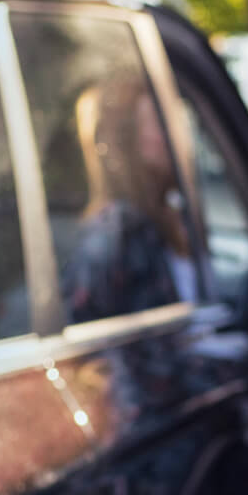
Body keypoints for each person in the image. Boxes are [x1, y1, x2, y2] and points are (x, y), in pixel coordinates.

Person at [61, 75, 199, 323]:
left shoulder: (166, 217)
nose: (178, 135)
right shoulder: (116, 235)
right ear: (128, 142)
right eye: (161, 123)